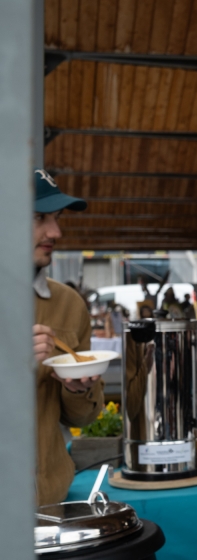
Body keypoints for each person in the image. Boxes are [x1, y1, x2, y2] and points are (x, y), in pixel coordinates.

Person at [31, 169, 105, 505]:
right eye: (39, 217)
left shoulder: (69, 305)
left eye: (57, 217)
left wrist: (78, 388)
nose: (55, 232)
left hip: (50, 503)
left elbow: (82, 418)